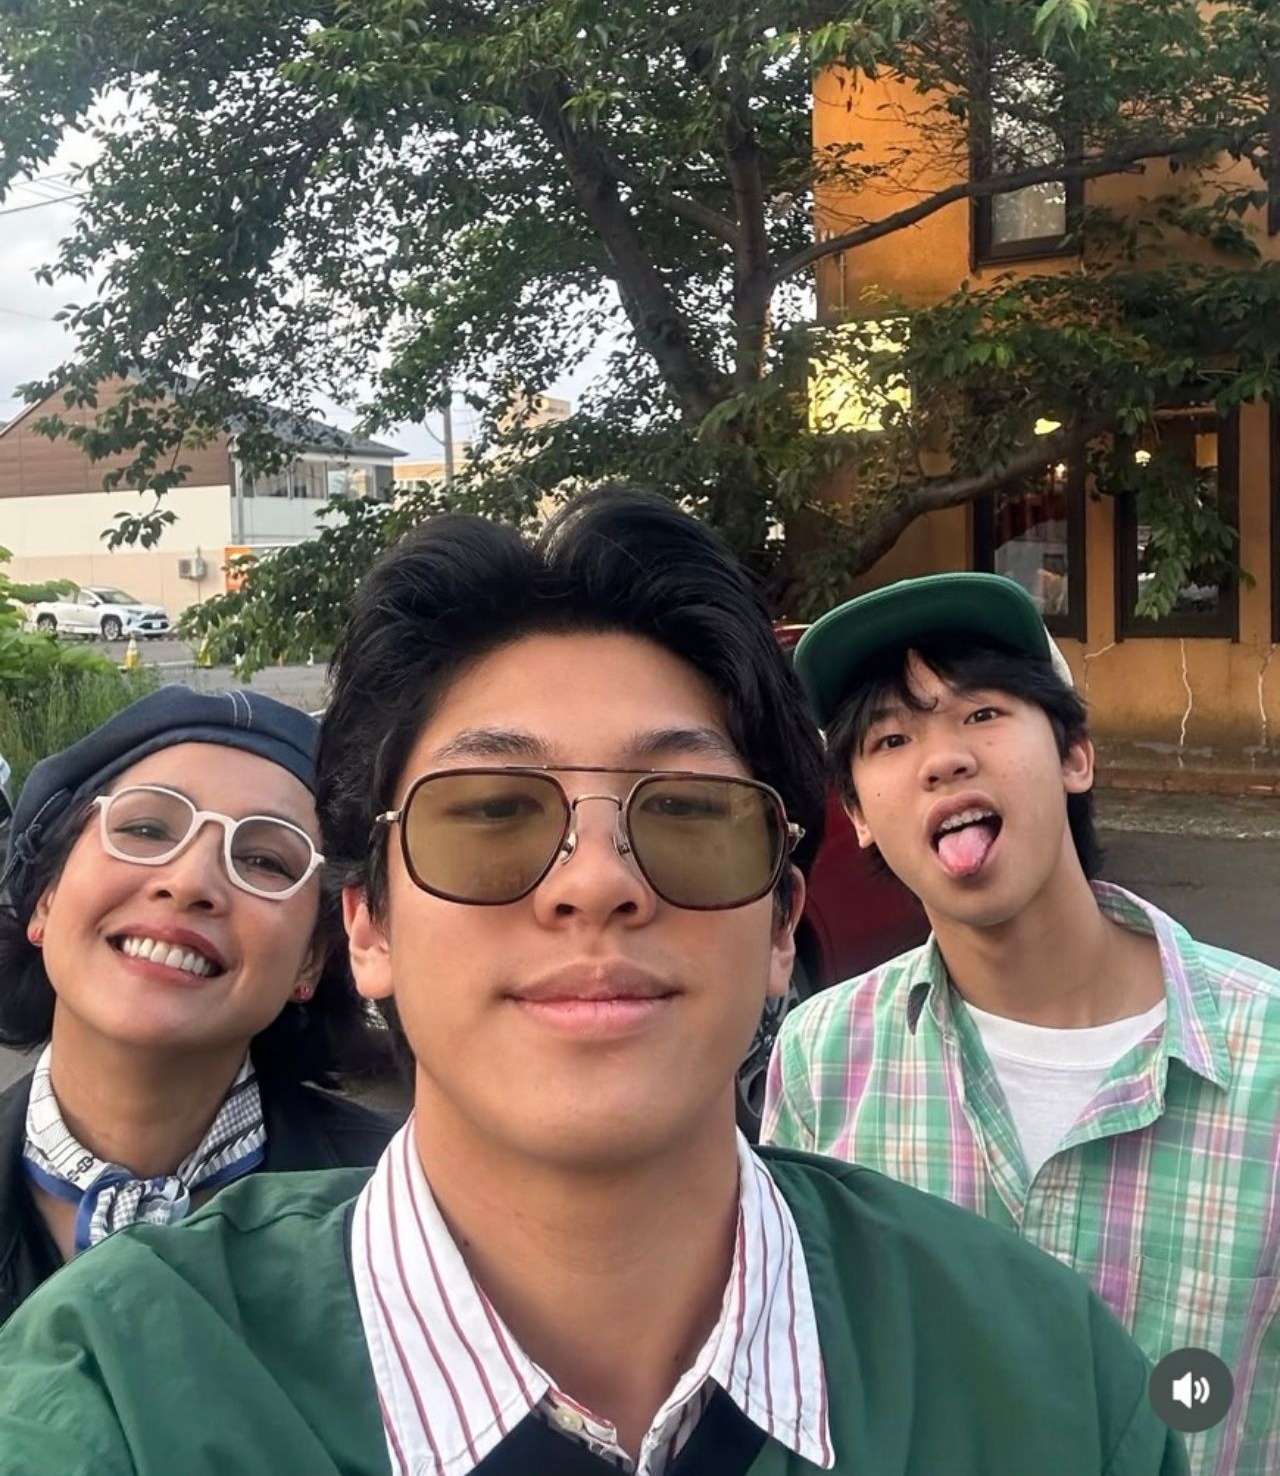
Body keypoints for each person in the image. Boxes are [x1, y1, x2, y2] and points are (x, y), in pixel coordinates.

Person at [0, 496, 1185, 1474]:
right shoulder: (121, 1391)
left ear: (781, 923)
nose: (595, 881)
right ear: (365, 924)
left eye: (685, 811)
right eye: (489, 813)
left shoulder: (1043, 1375)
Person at [762, 571, 1280, 1476]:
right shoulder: (821, 1057)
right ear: (859, 816)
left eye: (983, 713)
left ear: (1075, 755)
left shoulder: (1267, 1053)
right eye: (891, 738)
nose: (942, 759)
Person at [0, 685, 397, 1326]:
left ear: (312, 960)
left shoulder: (411, 1209)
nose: (189, 882)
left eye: (265, 861)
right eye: (145, 829)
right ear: (45, 899)